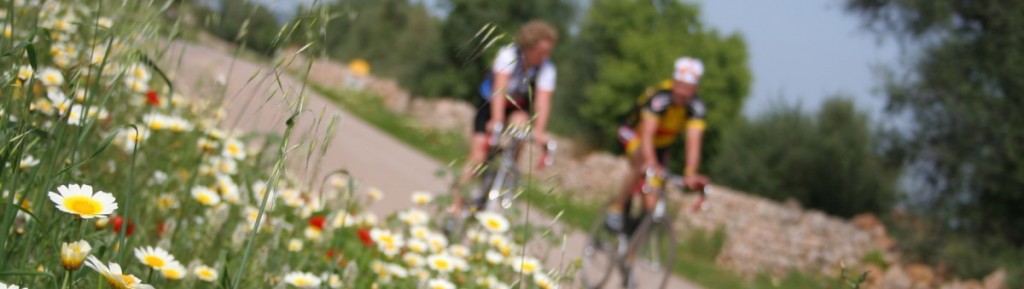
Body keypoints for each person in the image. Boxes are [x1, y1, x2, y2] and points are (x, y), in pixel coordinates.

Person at [452, 20, 558, 208]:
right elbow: (499, 90)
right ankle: (455, 205)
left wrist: (540, 132)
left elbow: (542, 100)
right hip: (491, 104)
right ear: (529, 46)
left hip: (517, 108)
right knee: (477, 156)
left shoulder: (546, 68)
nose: (545, 57)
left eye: (548, 53)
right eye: (541, 52)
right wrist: (497, 120)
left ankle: (506, 173)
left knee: (522, 126)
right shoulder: (508, 54)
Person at [605, 57, 711, 232]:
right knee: (641, 162)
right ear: (674, 81)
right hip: (633, 134)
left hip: (660, 146)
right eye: (680, 86)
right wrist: (652, 163)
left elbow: (694, 142)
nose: (683, 93)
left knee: (651, 204)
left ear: (695, 89)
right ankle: (616, 208)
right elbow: (647, 135)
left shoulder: (696, 107)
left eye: (688, 89)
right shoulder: (660, 97)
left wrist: (691, 172)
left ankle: (630, 253)